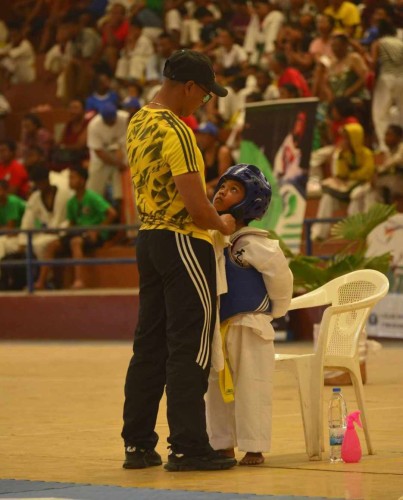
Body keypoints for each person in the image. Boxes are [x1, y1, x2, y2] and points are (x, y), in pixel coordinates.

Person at [121, 49, 237, 472]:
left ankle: (137, 445)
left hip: (149, 240)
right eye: (204, 95)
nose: (203, 104)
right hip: (184, 242)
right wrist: (224, 224)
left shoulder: (139, 121)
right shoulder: (178, 131)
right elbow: (197, 207)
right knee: (191, 346)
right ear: (188, 87)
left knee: (149, 345)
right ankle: (188, 446)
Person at [205, 164, 293, 466]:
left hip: (251, 324)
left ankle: (254, 448)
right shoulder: (211, 239)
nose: (222, 193)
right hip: (218, 326)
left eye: (233, 190)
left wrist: (275, 311)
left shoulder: (257, 244)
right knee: (216, 386)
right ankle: (222, 444)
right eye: (222, 187)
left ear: (250, 202)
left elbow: (281, 281)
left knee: (253, 385)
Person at [34, 164, 117, 290]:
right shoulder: (71, 202)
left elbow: (112, 213)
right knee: (52, 245)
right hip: (78, 233)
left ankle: (79, 281)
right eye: (69, 178)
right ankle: (41, 282)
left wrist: (97, 230)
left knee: (75, 242)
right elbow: (72, 223)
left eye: (73, 177)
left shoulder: (92, 197)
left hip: (93, 235)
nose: (70, 181)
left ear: (82, 180)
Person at [311, 122, 375, 241]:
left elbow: (367, 172)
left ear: (354, 138)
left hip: (362, 186)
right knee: (327, 197)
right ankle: (320, 233)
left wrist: (352, 176)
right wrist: (340, 157)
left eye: (346, 138)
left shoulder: (366, 153)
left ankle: (354, 231)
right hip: (345, 188)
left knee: (356, 195)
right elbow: (341, 174)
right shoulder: (343, 154)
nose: (344, 141)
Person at [18, 163, 73, 281]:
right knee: (30, 245)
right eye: (37, 183)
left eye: (41, 182)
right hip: (45, 234)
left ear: (47, 179)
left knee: (40, 245)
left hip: (63, 233)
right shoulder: (35, 197)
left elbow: (71, 218)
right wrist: (22, 239)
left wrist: (60, 230)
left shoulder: (65, 194)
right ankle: (35, 278)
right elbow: (27, 220)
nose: (40, 186)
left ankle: (46, 279)